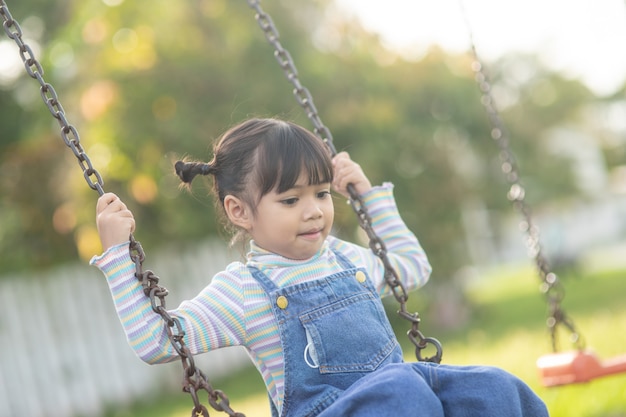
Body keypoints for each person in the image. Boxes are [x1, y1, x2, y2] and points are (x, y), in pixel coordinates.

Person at [91, 118, 548, 417]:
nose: (313, 211)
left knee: (496, 390)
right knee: (401, 392)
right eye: (290, 200)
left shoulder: (347, 257)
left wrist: (370, 198)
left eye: (322, 194)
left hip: (400, 393)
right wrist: (116, 256)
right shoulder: (243, 290)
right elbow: (156, 342)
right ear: (240, 211)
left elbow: (411, 267)